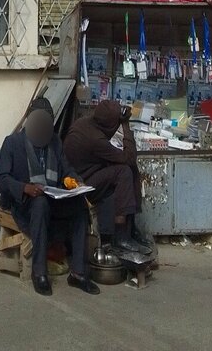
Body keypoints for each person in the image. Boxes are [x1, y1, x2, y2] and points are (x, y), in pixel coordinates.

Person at [0, 97, 100, 297]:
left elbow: (66, 169)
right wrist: (25, 188)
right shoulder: (13, 143)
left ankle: (78, 273)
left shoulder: (54, 142)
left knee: (79, 205)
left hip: (52, 199)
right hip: (25, 203)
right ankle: (39, 273)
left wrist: (75, 182)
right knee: (40, 203)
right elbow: (2, 179)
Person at [63, 100, 149, 254]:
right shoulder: (95, 139)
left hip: (88, 172)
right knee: (124, 171)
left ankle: (130, 227)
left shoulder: (84, 123)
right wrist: (125, 125)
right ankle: (121, 236)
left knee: (130, 169)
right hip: (81, 185)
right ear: (110, 125)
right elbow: (130, 157)